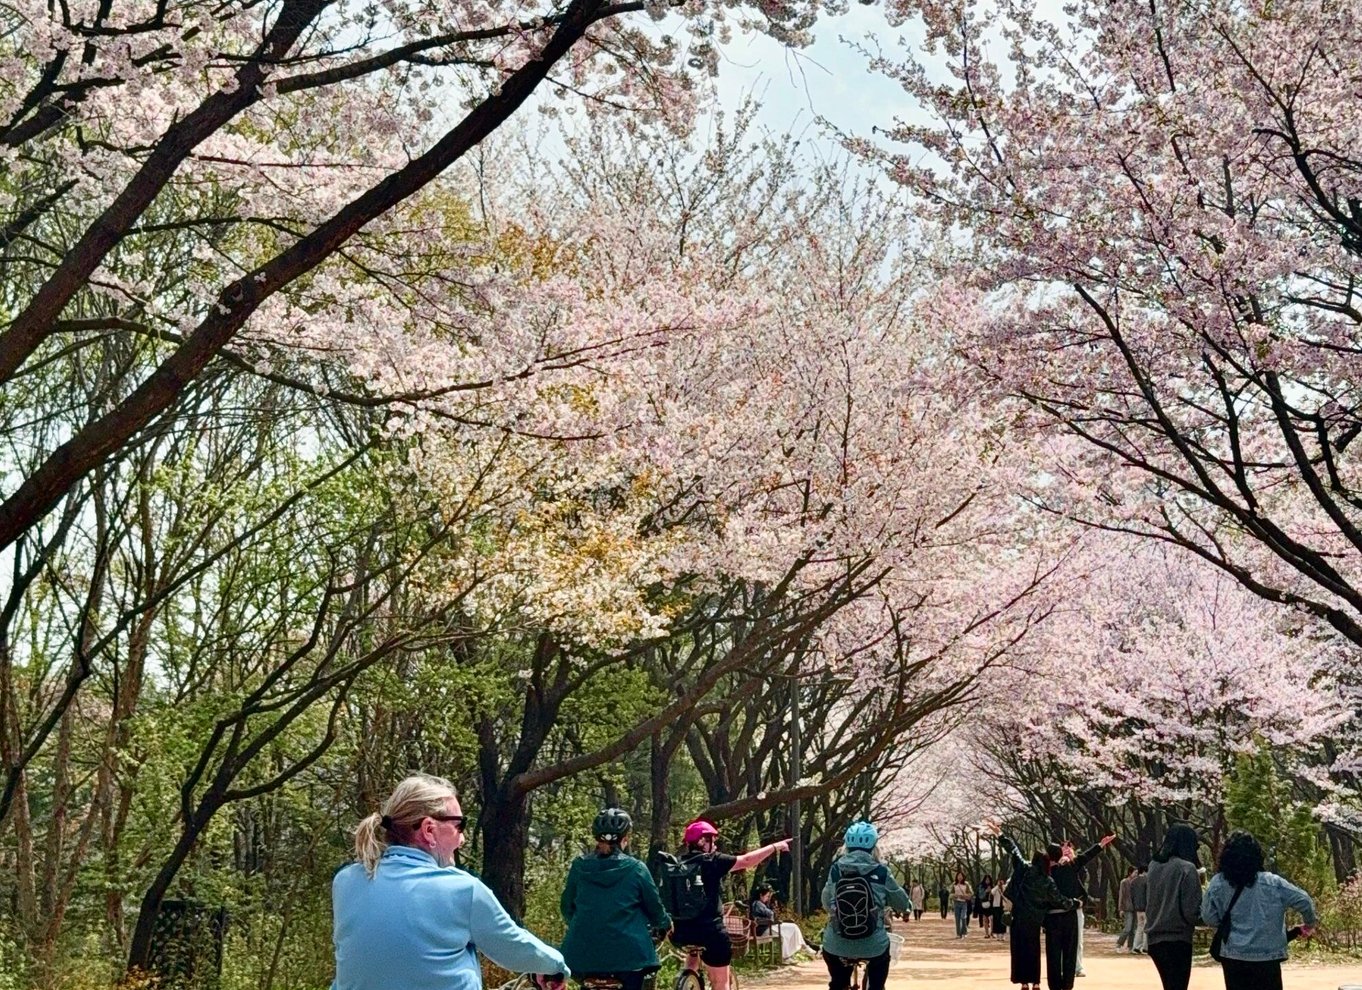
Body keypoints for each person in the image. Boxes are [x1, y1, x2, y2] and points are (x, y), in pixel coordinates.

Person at [332, 774, 568, 990]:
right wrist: (556, 966)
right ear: (428, 829)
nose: (463, 839)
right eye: (458, 826)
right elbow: (514, 948)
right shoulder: (461, 890)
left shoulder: (345, 882)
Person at [665, 819, 788, 990]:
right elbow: (746, 861)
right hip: (710, 933)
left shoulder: (677, 864)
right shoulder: (712, 861)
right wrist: (774, 847)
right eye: (711, 840)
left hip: (679, 933)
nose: (715, 845)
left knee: (693, 950)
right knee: (720, 982)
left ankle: (687, 979)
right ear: (701, 841)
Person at [560, 808, 669, 990]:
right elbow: (655, 908)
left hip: (582, 956)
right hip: (630, 958)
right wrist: (665, 923)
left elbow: (566, 907)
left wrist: (586, 924)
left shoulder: (579, 867)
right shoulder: (636, 869)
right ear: (625, 838)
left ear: (596, 838)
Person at [1201, 829, 1317, 990]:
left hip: (1234, 956)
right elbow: (1304, 901)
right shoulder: (1272, 883)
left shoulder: (1218, 883)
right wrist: (1309, 924)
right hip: (1267, 957)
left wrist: (1224, 923)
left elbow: (1208, 916)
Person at [820, 821, 911, 990]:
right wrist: (906, 907)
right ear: (874, 846)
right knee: (880, 967)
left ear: (846, 845)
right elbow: (901, 902)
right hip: (874, 944)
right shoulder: (881, 871)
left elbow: (826, 902)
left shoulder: (836, 869)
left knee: (837, 982)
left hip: (836, 942)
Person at [996, 831, 1078, 990]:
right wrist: (1074, 903)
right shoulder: (1047, 880)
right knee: (1034, 950)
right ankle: (1036, 982)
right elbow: (1059, 899)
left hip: (1018, 917)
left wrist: (1000, 834)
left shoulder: (1025, 869)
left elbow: (1014, 851)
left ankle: (1023, 982)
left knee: (1019, 950)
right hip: (1035, 920)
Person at [1046, 833, 1115, 986]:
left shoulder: (1044, 873)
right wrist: (1101, 844)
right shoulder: (1070, 867)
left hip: (1052, 918)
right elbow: (1086, 856)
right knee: (1071, 950)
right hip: (1070, 913)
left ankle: (1055, 985)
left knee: (1053, 953)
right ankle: (1068, 983)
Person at [1144, 823, 1201, 990]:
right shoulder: (1187, 869)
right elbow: (1191, 912)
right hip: (1178, 939)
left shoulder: (1153, 866)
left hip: (1155, 939)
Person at [751, 884, 814, 961]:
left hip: (770, 926)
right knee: (783, 935)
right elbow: (768, 915)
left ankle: (803, 946)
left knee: (794, 927)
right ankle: (785, 956)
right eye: (767, 896)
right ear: (761, 895)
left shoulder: (762, 904)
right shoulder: (757, 904)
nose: (768, 898)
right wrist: (771, 914)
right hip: (764, 928)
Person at [1115, 866, 1137, 952]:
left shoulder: (1136, 882)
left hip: (1135, 907)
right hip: (1127, 908)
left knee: (1133, 929)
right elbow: (1121, 895)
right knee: (1127, 928)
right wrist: (1120, 908)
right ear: (1129, 873)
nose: (1136, 874)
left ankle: (1130, 946)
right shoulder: (1124, 882)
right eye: (1134, 872)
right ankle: (1119, 944)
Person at [1130, 864, 1149, 953]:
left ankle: (1136, 946)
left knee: (1139, 927)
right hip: (1146, 908)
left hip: (1137, 908)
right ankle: (1145, 947)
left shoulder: (1133, 882)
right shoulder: (1147, 881)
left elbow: (1132, 896)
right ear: (1145, 871)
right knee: (1146, 927)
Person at [952, 869, 973, 938]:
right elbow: (951, 893)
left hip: (964, 903)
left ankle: (964, 931)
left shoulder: (966, 884)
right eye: (958, 876)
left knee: (963, 917)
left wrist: (965, 896)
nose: (960, 877)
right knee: (957, 918)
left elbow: (970, 893)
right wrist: (954, 895)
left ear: (963, 877)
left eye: (961, 876)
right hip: (956, 902)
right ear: (957, 877)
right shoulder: (954, 884)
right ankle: (958, 934)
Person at [991, 875, 1007, 939]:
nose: (1001, 882)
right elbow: (992, 892)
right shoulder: (996, 888)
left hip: (1003, 906)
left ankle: (1002, 934)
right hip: (996, 906)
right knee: (997, 920)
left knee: (1003, 920)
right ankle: (997, 934)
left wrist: (1002, 888)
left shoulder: (1005, 887)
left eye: (1002, 881)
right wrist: (997, 886)